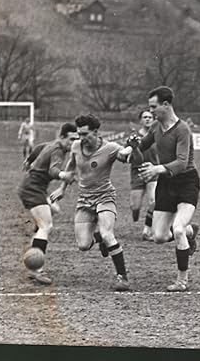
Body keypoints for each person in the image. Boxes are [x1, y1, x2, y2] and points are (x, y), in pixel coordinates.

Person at [50, 114, 140, 292]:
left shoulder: (111, 148)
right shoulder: (76, 146)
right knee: (83, 245)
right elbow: (70, 168)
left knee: (108, 234)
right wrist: (62, 189)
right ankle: (97, 237)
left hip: (105, 196)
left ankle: (122, 277)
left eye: (85, 134)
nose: (81, 139)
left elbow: (129, 158)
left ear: (96, 132)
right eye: (79, 134)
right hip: (84, 199)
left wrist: (133, 148)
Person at [134, 86, 200, 292]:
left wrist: (157, 169)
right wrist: (127, 149)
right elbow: (141, 146)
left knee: (177, 229)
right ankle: (191, 231)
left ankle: (182, 281)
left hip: (186, 182)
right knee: (159, 237)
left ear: (166, 104)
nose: (151, 111)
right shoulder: (155, 127)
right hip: (166, 184)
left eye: (153, 107)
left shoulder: (182, 130)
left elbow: (181, 163)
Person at [18, 122, 78, 285]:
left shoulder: (54, 143)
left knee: (54, 210)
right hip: (33, 189)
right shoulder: (58, 149)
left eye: (76, 139)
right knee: (46, 226)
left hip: (34, 187)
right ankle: (36, 270)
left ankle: (35, 240)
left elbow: (38, 147)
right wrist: (66, 175)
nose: (74, 143)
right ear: (63, 137)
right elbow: (53, 170)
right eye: (71, 139)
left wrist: (29, 160)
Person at [129, 110, 159, 241]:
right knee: (135, 206)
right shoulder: (134, 137)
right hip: (137, 173)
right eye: (145, 117)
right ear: (140, 120)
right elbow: (129, 156)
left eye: (150, 117)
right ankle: (135, 213)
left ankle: (147, 230)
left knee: (153, 201)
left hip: (153, 172)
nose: (147, 119)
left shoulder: (158, 135)